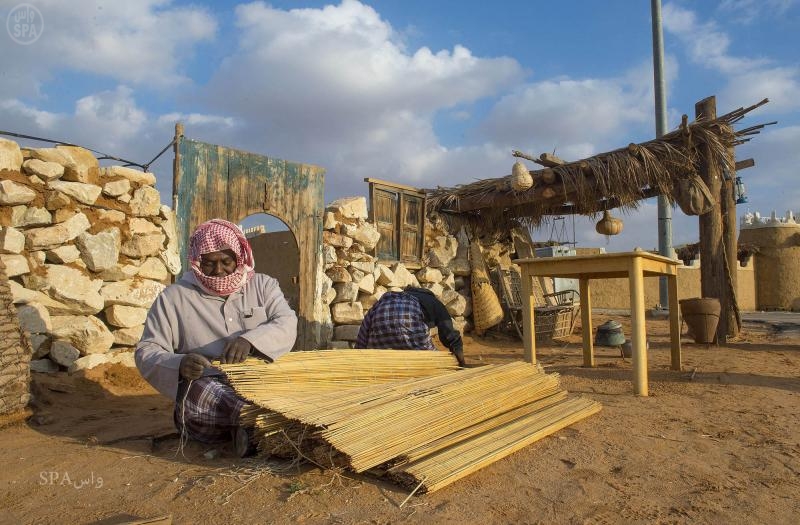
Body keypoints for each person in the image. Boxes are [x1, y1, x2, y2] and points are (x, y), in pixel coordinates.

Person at [135, 219, 297, 448]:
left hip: (259, 382)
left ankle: (248, 430)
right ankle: (261, 421)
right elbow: (147, 350)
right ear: (197, 261)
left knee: (292, 383)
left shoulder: (263, 286)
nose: (219, 271)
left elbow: (287, 322)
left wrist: (249, 341)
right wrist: (180, 364)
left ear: (240, 258)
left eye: (226, 262)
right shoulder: (174, 297)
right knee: (200, 394)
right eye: (209, 264)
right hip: (210, 387)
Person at [355, 286, 466, 366]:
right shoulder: (431, 300)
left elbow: (365, 327)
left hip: (381, 319)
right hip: (408, 321)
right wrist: (460, 358)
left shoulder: (387, 299)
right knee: (431, 362)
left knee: (382, 362)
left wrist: (359, 355)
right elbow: (447, 329)